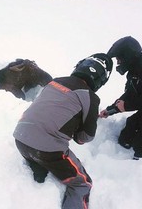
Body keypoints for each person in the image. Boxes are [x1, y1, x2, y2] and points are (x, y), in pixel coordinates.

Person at [13, 53, 113, 209]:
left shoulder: (55, 82)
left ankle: (38, 170)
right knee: (83, 183)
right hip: (47, 151)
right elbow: (83, 138)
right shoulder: (91, 97)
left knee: (40, 152)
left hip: (20, 139)